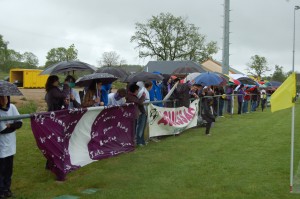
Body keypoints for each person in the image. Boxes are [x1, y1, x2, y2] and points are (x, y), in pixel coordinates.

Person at [0, 96, 22, 198]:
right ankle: (1, 190)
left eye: (5, 97)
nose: (4, 100)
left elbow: (19, 123)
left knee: (9, 169)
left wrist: (11, 126)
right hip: (1, 146)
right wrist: (11, 127)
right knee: (1, 169)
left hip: (11, 145)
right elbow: (3, 130)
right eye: (1, 98)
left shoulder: (12, 107)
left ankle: (7, 189)